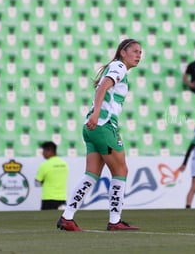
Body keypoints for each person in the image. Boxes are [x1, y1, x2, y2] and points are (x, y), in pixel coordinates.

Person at [57, 39, 142, 231]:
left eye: (140, 52)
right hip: (103, 126)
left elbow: (102, 87)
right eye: (135, 51)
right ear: (122, 52)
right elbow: (103, 86)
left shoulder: (116, 68)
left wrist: (94, 116)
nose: (139, 55)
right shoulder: (119, 66)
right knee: (121, 172)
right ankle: (115, 221)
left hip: (92, 127)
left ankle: (67, 217)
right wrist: (97, 114)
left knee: (91, 174)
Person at [35, 141, 69, 210]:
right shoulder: (64, 164)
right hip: (62, 198)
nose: (43, 154)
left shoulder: (45, 165)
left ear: (49, 151)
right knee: (61, 220)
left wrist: (44, 182)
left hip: (48, 199)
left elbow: (37, 183)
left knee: (45, 220)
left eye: (43, 151)